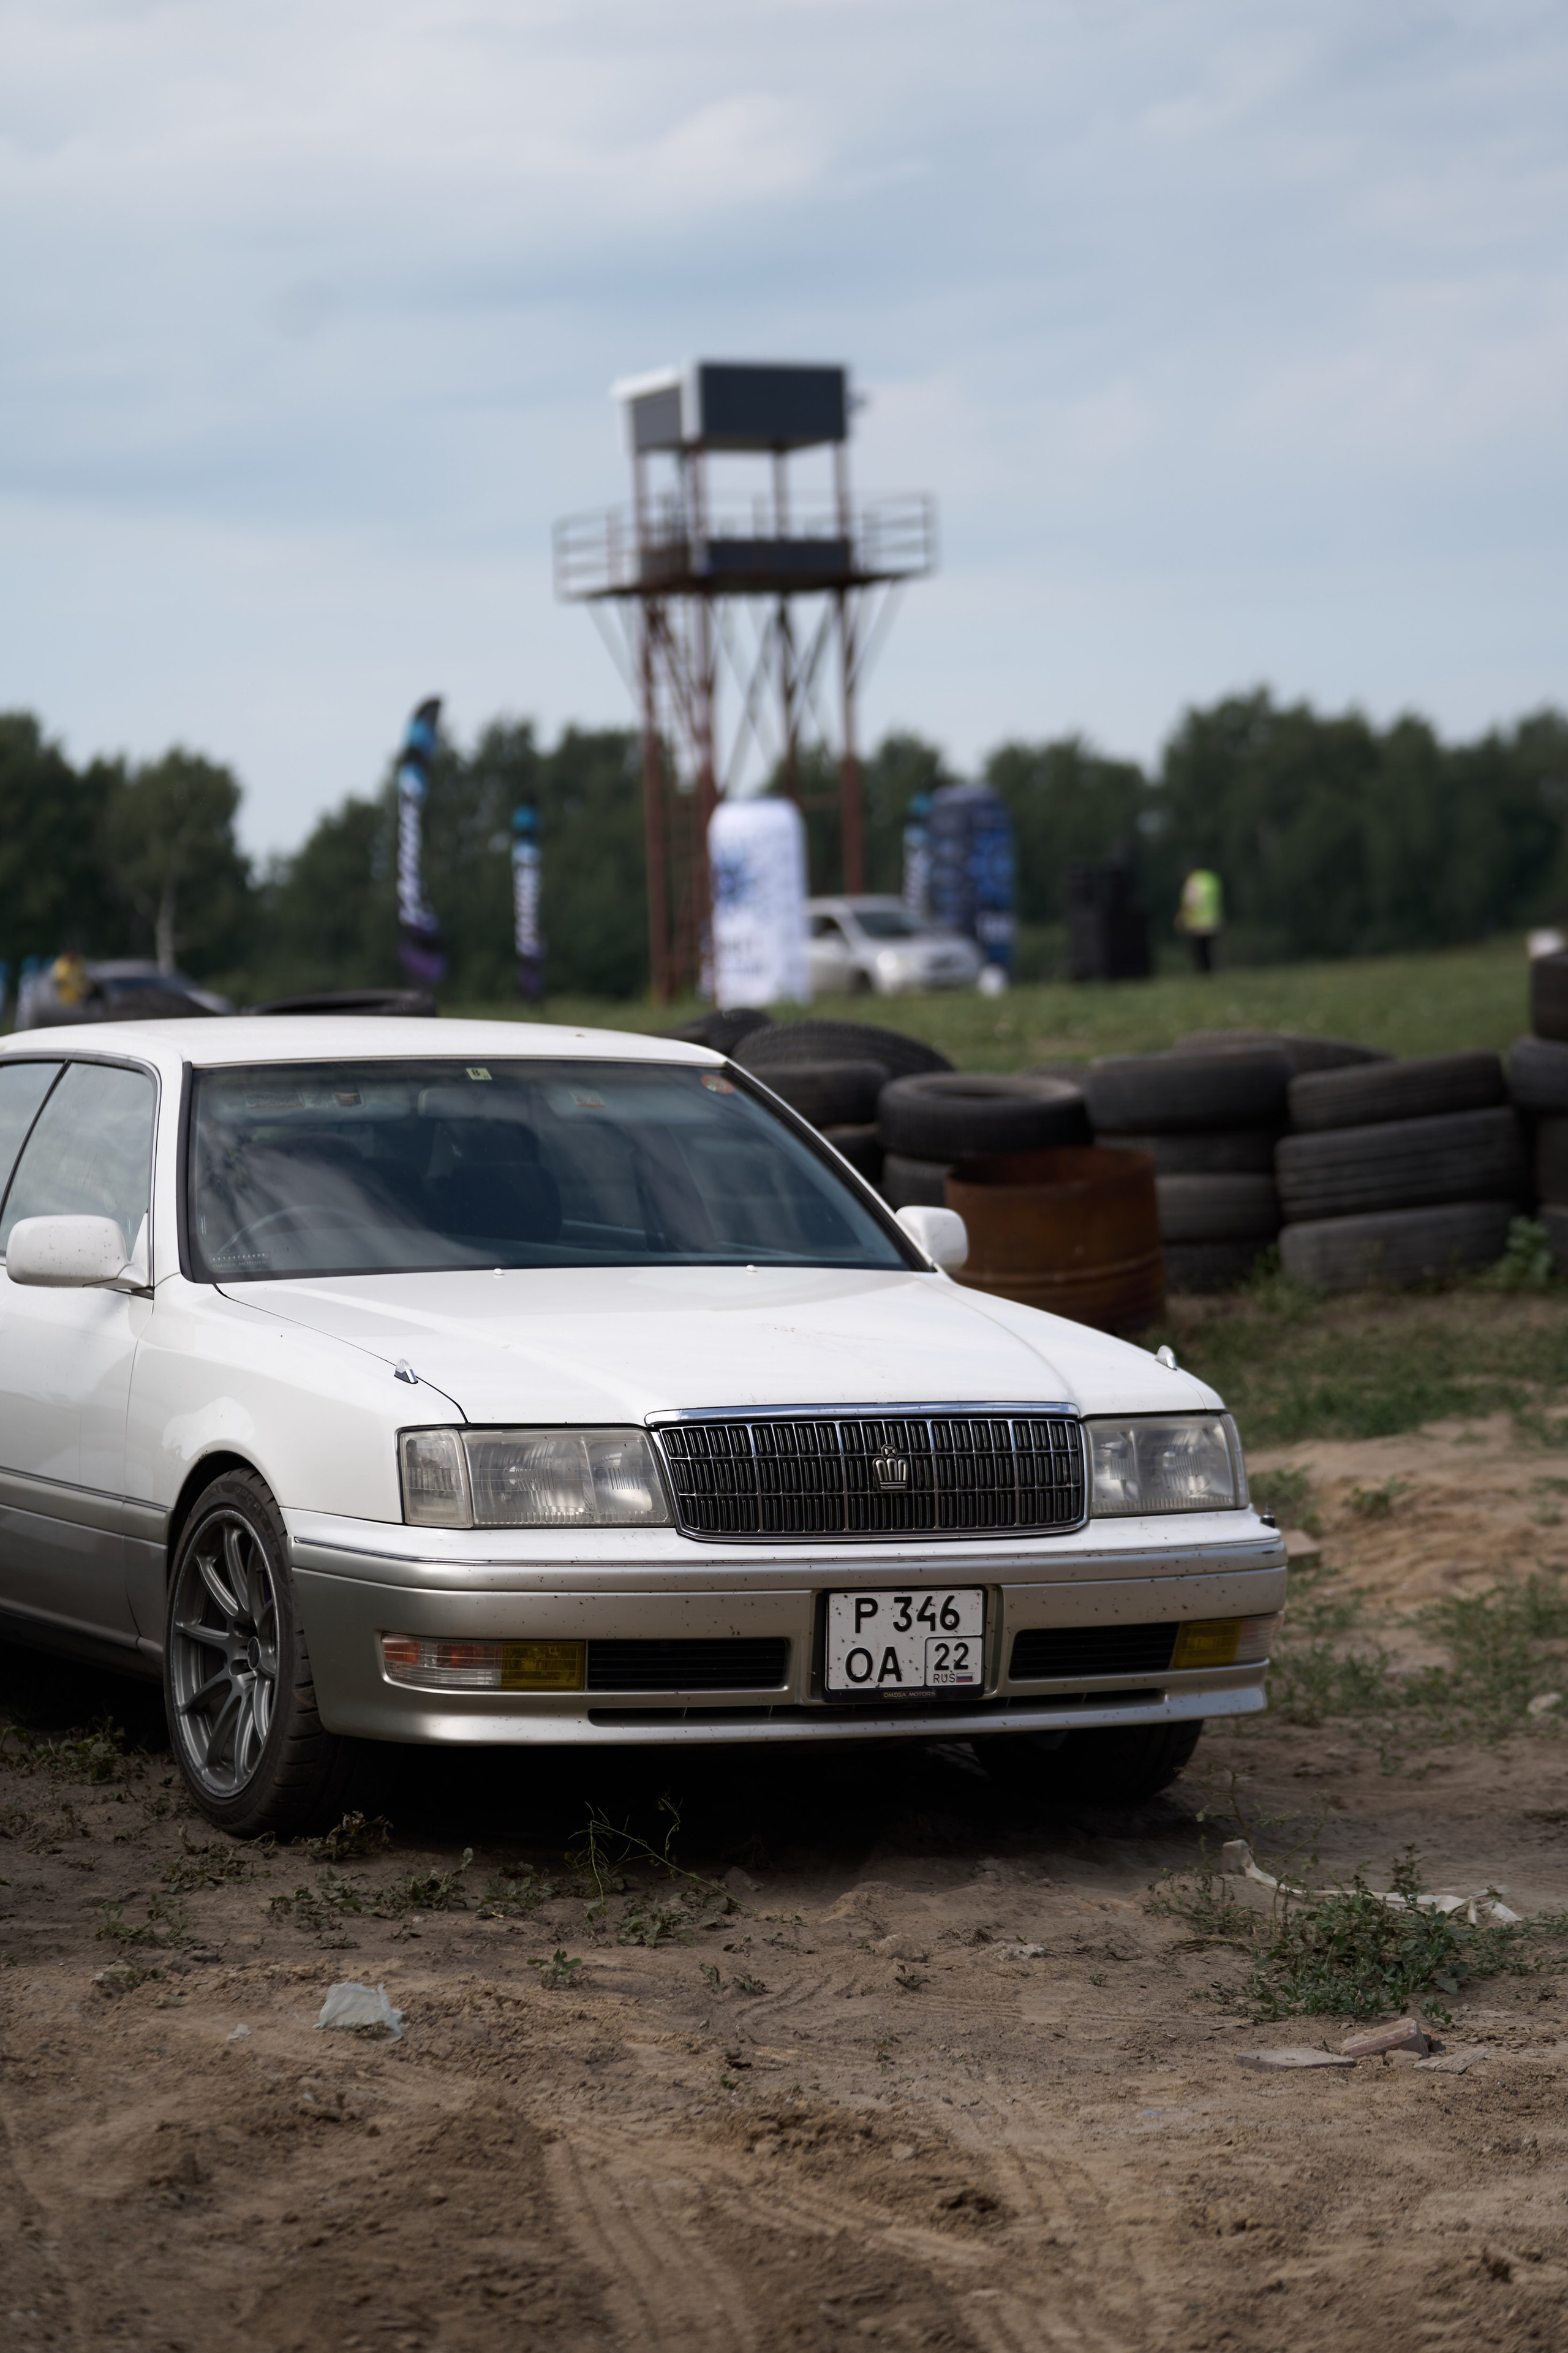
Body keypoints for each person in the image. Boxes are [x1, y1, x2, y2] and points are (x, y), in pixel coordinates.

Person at [1177, 864, 1223, 974]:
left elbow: (1191, 903)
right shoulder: (1211, 879)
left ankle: (1202, 973)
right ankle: (1211, 972)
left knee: (1199, 951)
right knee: (1210, 950)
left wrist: (1181, 917)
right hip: (1213, 920)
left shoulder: (1193, 883)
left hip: (1198, 922)